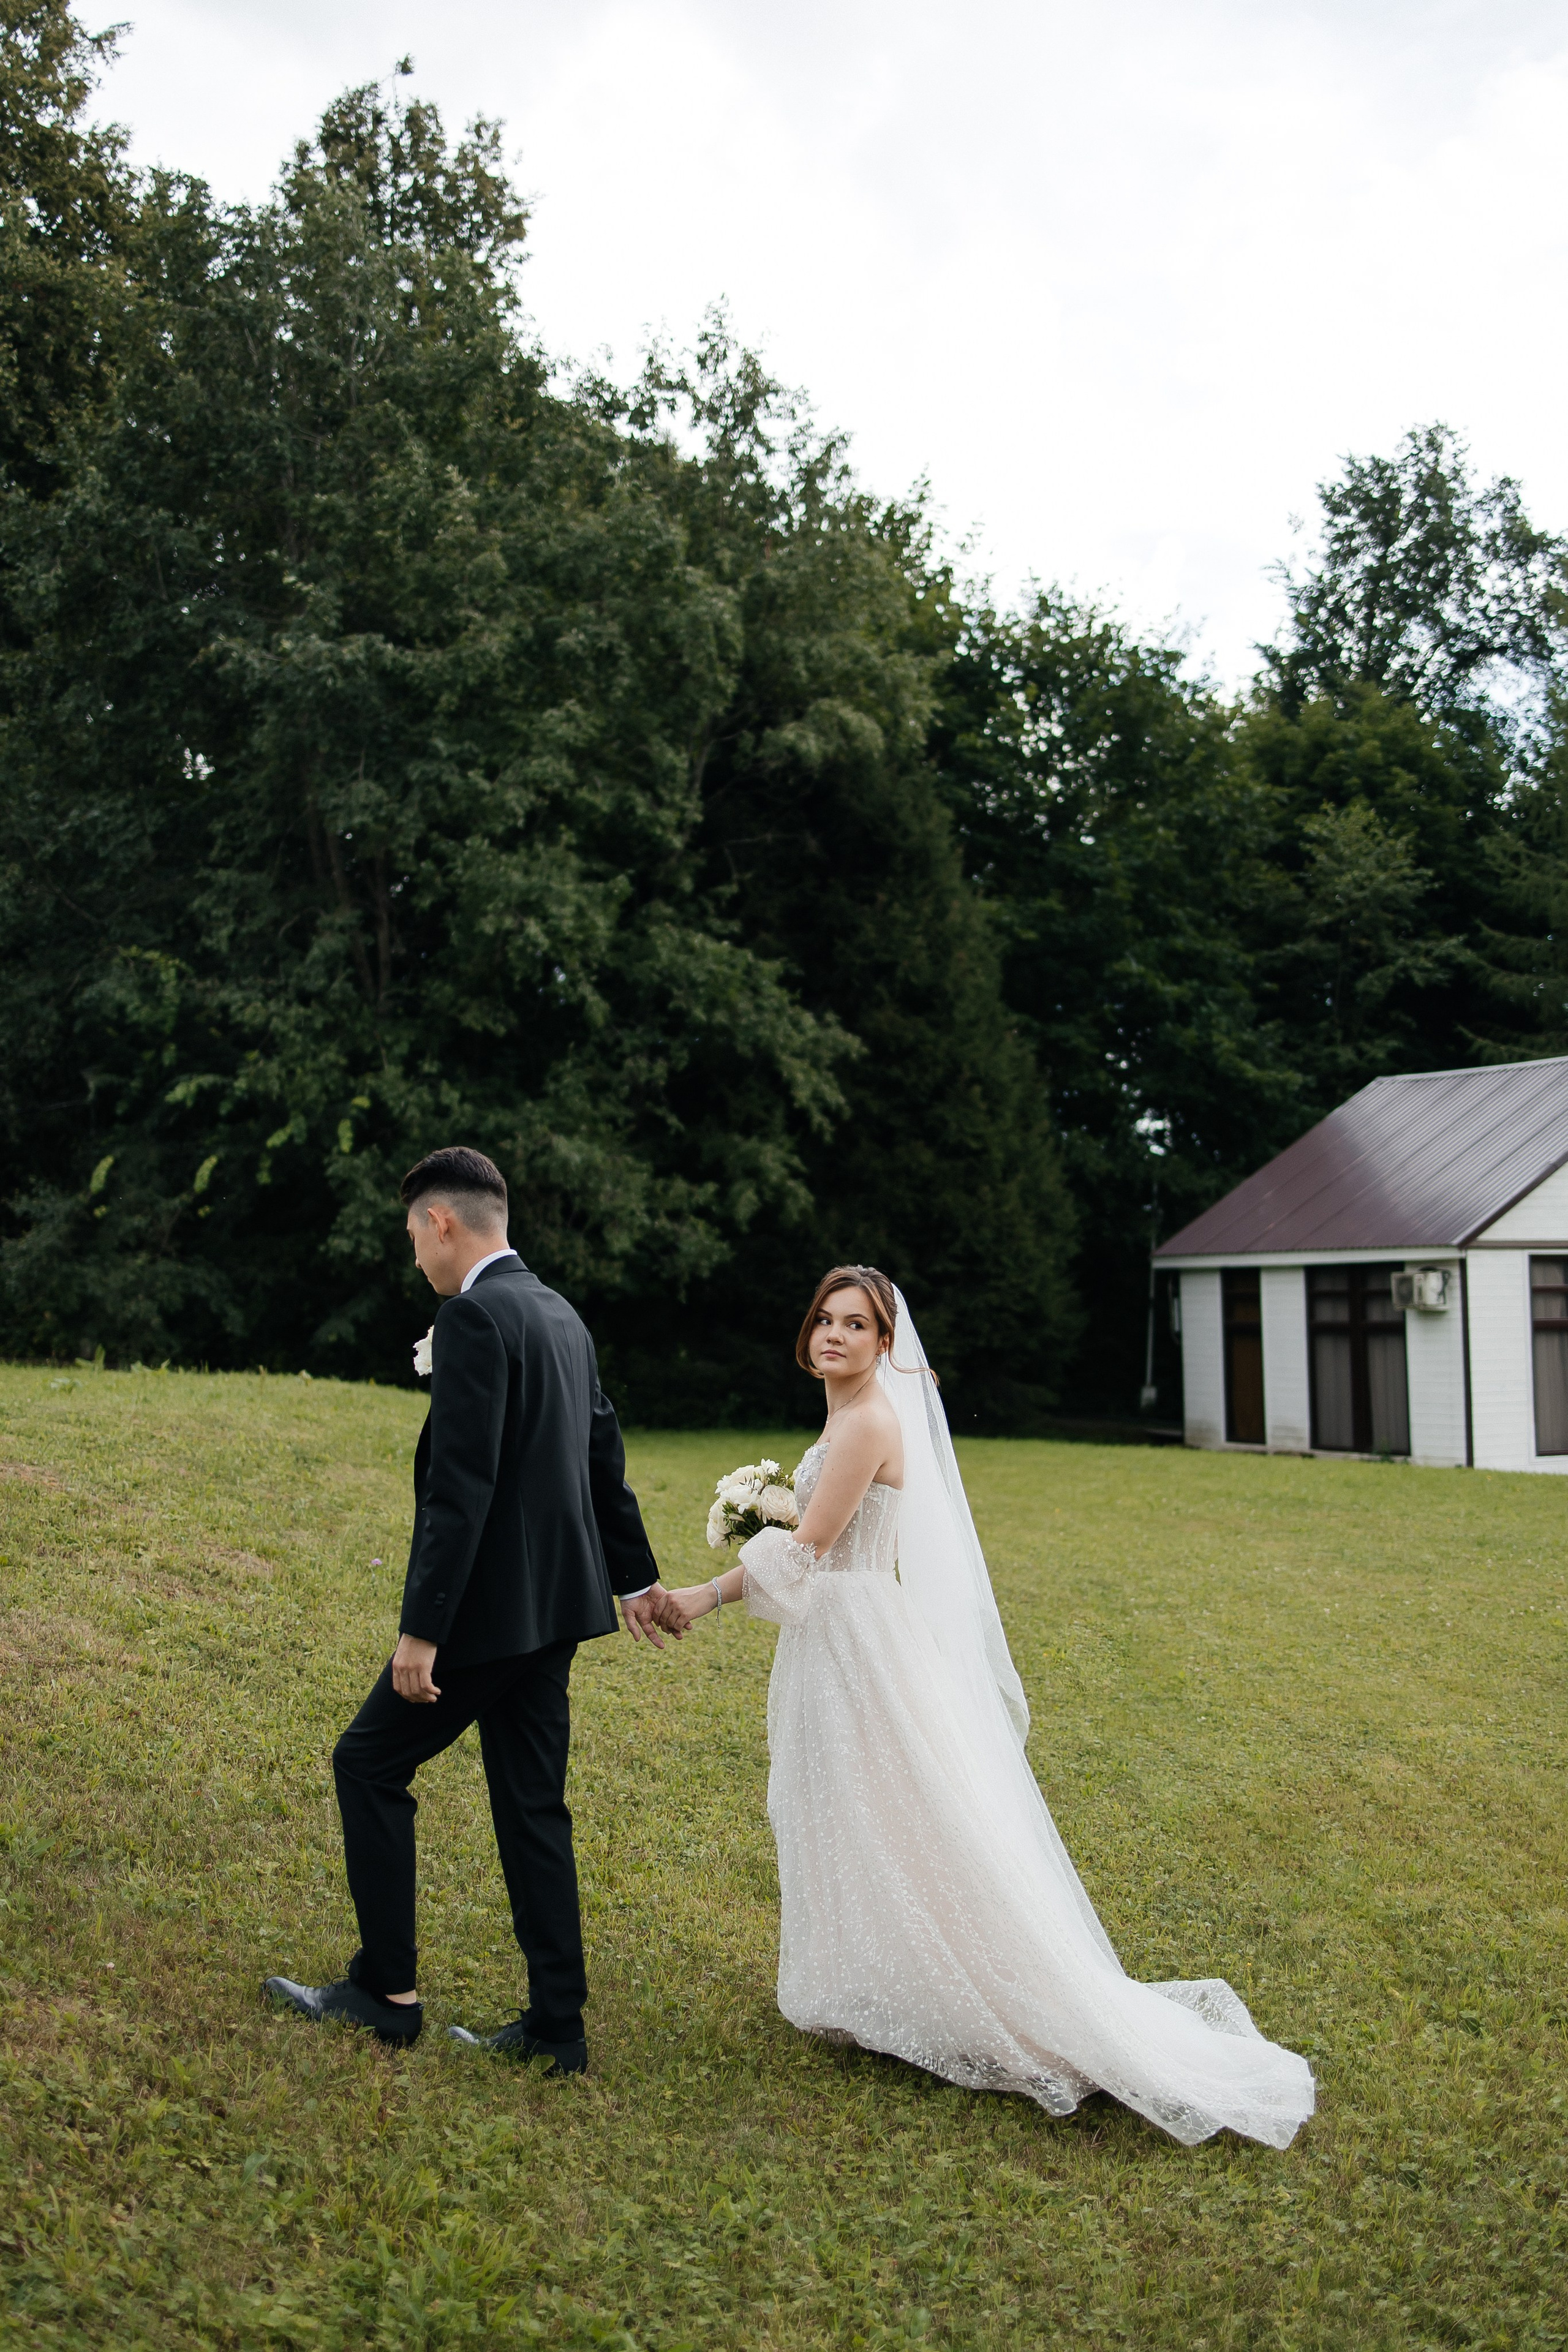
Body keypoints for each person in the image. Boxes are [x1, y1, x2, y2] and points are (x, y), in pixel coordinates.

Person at [660, 1265, 1315, 2147]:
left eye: (857, 1325)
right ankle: (867, 1981)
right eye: (825, 1320)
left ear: (885, 1344)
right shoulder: (845, 1415)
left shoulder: (870, 1421)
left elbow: (809, 1551)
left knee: (894, 1811)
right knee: (848, 1806)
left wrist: (702, 1595)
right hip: (839, 1632)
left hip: (855, 1636)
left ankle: (982, 1995)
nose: (836, 1336)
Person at [265, 1145, 674, 2072]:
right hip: (557, 1610)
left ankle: (385, 1994)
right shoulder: (560, 1313)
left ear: (441, 1222)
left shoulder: (474, 1317)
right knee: (533, 1806)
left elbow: (462, 1490)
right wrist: (634, 1578)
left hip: (487, 1618)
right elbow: (602, 1459)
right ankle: (558, 2030)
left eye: (414, 1235)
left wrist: (423, 1631)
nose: (416, 1255)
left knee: (367, 1763)